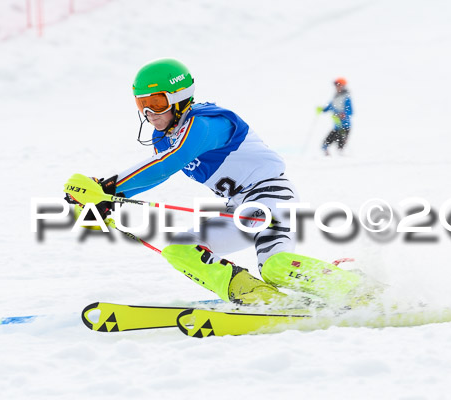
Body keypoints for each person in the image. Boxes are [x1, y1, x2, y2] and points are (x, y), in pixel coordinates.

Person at [66, 58, 365, 307]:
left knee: (276, 267)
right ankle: (260, 298)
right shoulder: (164, 137)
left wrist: (107, 190)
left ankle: (359, 291)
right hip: (239, 210)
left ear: (180, 98)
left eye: (156, 103)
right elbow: (158, 166)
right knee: (179, 248)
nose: (149, 114)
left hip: (271, 199)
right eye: (142, 104)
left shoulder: (206, 123)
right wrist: (103, 201)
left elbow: (167, 164)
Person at [317, 77, 353, 156]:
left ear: (343, 86)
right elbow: (330, 107)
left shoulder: (346, 97)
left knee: (340, 145)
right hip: (337, 126)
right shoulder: (335, 97)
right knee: (325, 143)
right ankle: (327, 157)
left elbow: (350, 111)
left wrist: (343, 114)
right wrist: (322, 109)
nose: (337, 87)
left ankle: (341, 159)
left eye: (339, 85)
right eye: (336, 85)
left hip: (345, 126)